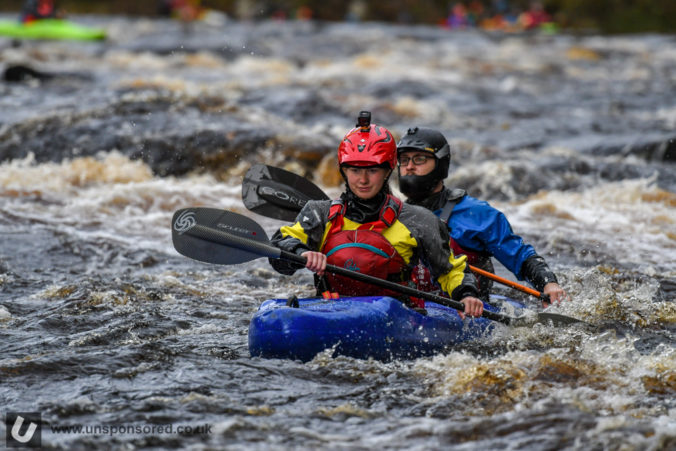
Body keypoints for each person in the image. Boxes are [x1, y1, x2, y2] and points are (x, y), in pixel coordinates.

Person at [269, 112, 484, 318]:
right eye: (354, 170)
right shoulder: (319, 214)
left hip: (396, 318)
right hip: (331, 312)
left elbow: (449, 270)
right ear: (343, 170)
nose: (362, 180)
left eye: (372, 170)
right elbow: (280, 246)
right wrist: (300, 253)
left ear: (388, 170)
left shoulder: (418, 220)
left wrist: (466, 294)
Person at [396, 127, 568, 306]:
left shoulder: (476, 213)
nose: (409, 167)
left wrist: (549, 284)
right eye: (404, 160)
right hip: (413, 308)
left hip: (471, 309)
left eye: (419, 159)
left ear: (440, 163)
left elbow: (520, 256)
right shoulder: (393, 214)